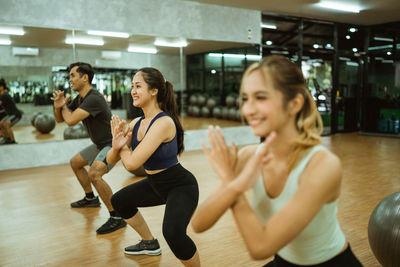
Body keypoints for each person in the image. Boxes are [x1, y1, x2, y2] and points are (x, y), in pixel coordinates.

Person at [191, 55, 362, 266]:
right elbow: (198, 223)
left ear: (294, 103)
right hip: (282, 261)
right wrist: (233, 184)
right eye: (245, 98)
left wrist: (231, 182)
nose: (248, 109)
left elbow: (261, 247)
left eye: (260, 97)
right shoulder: (249, 157)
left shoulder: (323, 165)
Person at [107, 67, 200, 266]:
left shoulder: (163, 122)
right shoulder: (137, 123)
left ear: (154, 91)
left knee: (173, 233)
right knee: (119, 200)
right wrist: (117, 145)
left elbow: (132, 163)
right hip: (156, 184)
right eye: (132, 86)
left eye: (138, 86)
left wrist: (122, 146)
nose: (132, 90)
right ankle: (149, 243)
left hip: (180, 185)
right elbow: (110, 159)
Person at [51, 62, 126, 234]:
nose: (70, 79)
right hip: (100, 144)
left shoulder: (94, 98)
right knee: (75, 163)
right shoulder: (81, 98)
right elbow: (60, 120)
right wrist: (58, 107)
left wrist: (63, 106)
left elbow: (70, 120)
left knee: (95, 174)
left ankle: (117, 217)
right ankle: (90, 198)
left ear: (85, 78)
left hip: (112, 144)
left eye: (72, 75)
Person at [0, 79, 22, 144]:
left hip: (16, 114)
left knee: (6, 124)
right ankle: (7, 138)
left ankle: (12, 141)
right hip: (10, 115)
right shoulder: (2, 95)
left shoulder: (4, 95)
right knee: (1, 123)